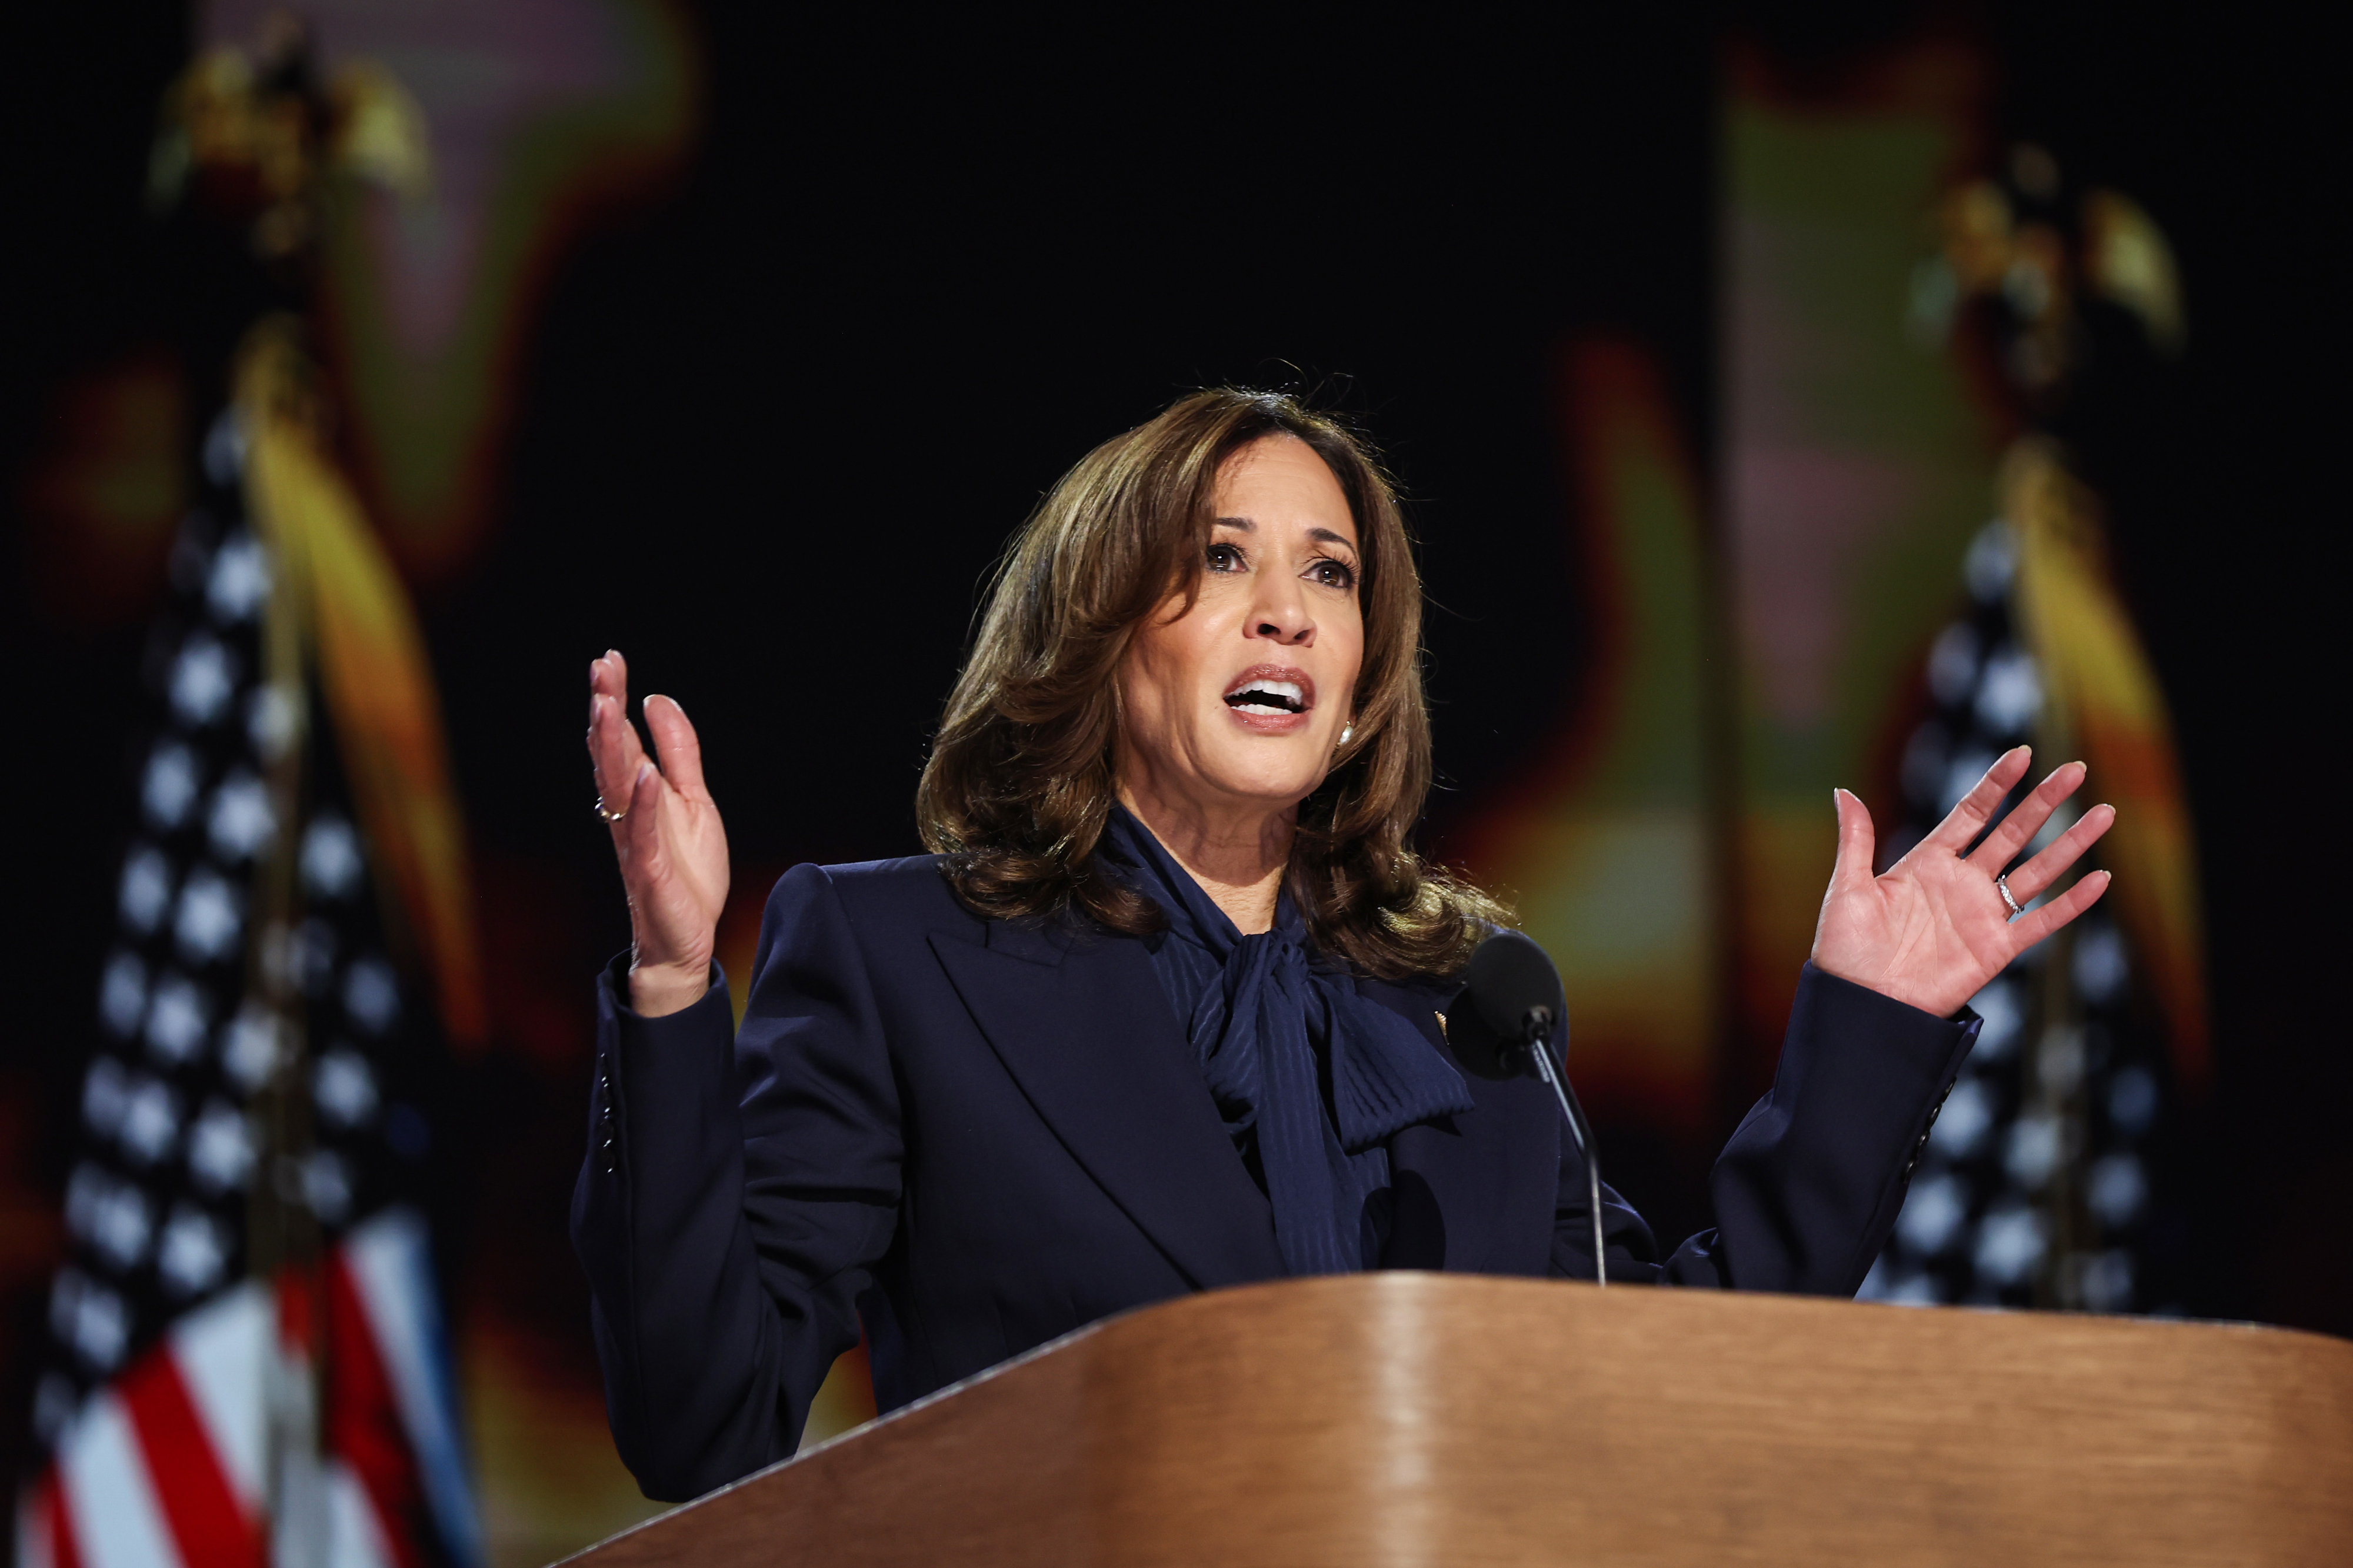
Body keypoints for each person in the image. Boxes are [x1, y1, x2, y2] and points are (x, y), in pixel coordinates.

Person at [571, 389, 2114, 1502]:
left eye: (1330, 572)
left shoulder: (1469, 1011)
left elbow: (1664, 1388)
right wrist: (673, 981)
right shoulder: (909, 956)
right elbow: (706, 1423)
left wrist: (1867, 1023)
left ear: (1369, 679)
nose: (1287, 614)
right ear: (1099, 633)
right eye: (1222, 558)